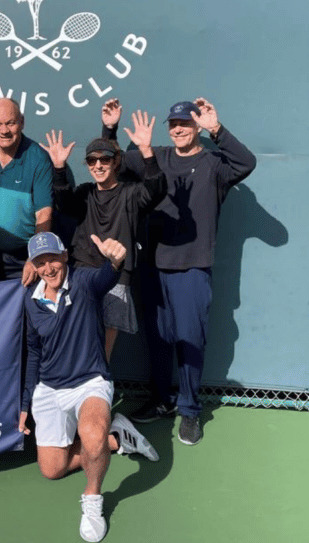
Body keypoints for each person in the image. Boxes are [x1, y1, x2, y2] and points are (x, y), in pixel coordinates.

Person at [101, 98, 257, 444]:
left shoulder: (214, 164)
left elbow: (246, 162)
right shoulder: (155, 156)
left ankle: (189, 411)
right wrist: (110, 129)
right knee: (158, 339)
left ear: (197, 126)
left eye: (185, 123)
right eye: (173, 124)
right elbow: (112, 162)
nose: (178, 129)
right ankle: (161, 400)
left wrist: (217, 129)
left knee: (190, 340)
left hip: (193, 268)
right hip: (153, 266)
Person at [18, 232, 159, 542]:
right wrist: (26, 403)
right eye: (40, 263)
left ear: (65, 256)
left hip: (89, 381)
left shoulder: (84, 282)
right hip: (49, 389)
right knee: (52, 470)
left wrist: (116, 261)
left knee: (91, 436)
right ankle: (116, 438)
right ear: (33, 266)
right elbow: (34, 351)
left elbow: (107, 276)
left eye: (53, 259)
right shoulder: (31, 298)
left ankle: (93, 498)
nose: (48, 268)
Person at [43, 109, 166, 361]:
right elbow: (64, 204)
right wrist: (59, 167)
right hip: (82, 273)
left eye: (104, 160)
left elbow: (156, 189)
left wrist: (146, 151)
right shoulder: (85, 193)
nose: (98, 165)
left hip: (117, 275)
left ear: (115, 162)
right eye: (92, 161)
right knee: (77, 338)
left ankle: (101, 385)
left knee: (104, 347)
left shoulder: (131, 193)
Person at [0, 97, 54, 285]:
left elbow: (43, 214)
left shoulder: (39, 158)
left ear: (22, 122)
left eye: (10, 123)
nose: (4, 130)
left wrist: (35, 256)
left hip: (22, 260)